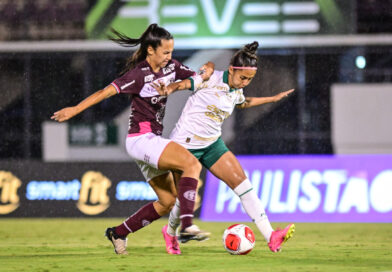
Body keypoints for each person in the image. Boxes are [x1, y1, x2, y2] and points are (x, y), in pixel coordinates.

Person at [51, 23, 214, 255]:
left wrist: (208, 67)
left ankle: (118, 233)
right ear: (150, 50)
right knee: (191, 164)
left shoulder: (172, 68)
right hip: (141, 139)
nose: (170, 56)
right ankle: (186, 226)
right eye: (166, 52)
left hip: (150, 141)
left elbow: (199, 76)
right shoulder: (139, 74)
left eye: (171, 52)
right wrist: (75, 110)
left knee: (167, 202)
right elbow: (104, 92)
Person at [153, 41, 295, 255]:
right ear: (231, 69)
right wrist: (169, 88)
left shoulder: (235, 90)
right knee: (186, 201)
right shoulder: (210, 78)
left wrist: (272, 99)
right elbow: (184, 85)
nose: (245, 82)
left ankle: (271, 236)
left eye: (250, 79)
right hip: (184, 146)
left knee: (244, 186)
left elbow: (244, 101)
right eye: (243, 78)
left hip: (212, 144)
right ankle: (170, 232)